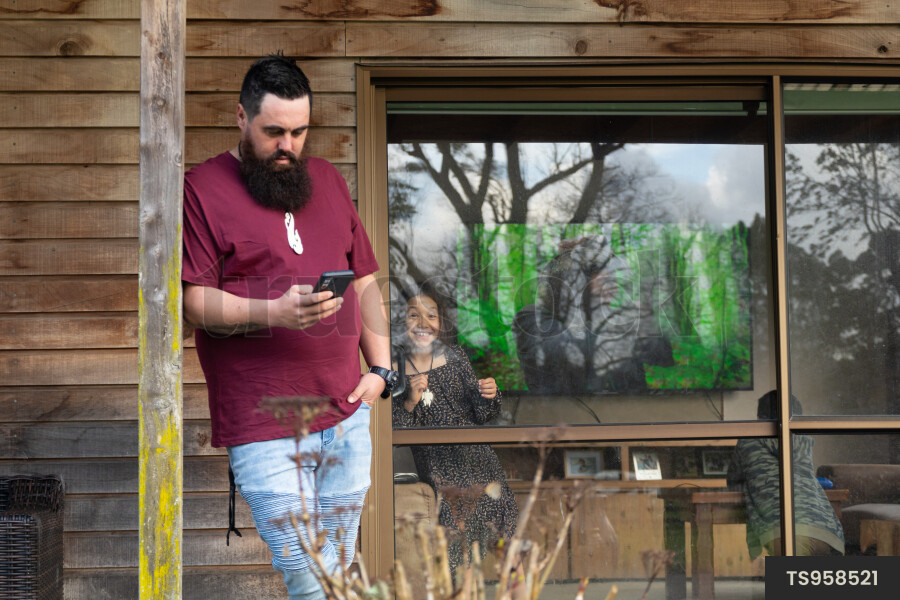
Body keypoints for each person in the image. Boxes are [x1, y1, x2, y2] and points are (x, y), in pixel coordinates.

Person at [181, 54, 398, 600]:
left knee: (338, 568)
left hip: (345, 411)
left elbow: (365, 282)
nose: (288, 146)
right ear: (241, 117)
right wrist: (272, 312)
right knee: (307, 570)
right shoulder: (202, 188)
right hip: (264, 420)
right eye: (273, 132)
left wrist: (382, 370)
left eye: (299, 132)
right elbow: (194, 302)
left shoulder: (327, 180)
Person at [391, 290, 518, 571]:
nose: (423, 322)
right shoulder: (394, 370)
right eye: (413, 315)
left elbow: (482, 413)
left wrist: (490, 393)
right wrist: (410, 401)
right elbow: (393, 432)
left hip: (478, 465)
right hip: (440, 474)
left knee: (505, 541)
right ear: (402, 323)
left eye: (431, 315)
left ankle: (519, 590)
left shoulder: (455, 358)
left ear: (441, 323)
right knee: (457, 552)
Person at [727, 391, 845, 557]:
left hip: (784, 533)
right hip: (825, 531)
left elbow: (733, 480)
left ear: (760, 418)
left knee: (789, 572)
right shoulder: (803, 442)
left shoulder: (748, 442)